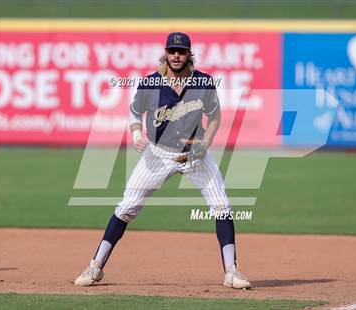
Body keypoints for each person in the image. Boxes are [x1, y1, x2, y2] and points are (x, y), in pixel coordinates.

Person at [74, 32, 251, 289]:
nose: (176, 55)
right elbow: (135, 112)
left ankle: (231, 272)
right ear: (165, 54)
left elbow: (215, 116)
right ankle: (95, 266)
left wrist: (206, 143)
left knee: (222, 206)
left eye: (181, 51)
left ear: (189, 54)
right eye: (172, 51)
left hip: (193, 154)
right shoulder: (151, 83)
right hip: (157, 153)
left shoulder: (203, 82)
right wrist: (136, 134)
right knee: (126, 208)